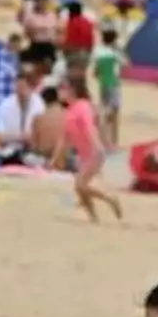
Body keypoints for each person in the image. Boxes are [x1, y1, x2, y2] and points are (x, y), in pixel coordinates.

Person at [53, 75, 122, 222]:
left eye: (63, 88)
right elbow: (66, 139)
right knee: (80, 187)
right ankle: (93, 216)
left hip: (94, 152)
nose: (59, 92)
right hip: (86, 154)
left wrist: (98, 146)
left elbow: (89, 127)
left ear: (72, 90)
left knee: (80, 184)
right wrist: (58, 157)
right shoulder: (70, 111)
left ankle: (110, 199)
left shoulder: (82, 106)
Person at [0, 68, 45, 164]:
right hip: (8, 149)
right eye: (18, 86)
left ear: (31, 87)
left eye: (24, 87)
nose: (20, 91)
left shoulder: (39, 104)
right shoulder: (5, 104)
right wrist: (19, 137)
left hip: (31, 152)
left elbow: (36, 137)